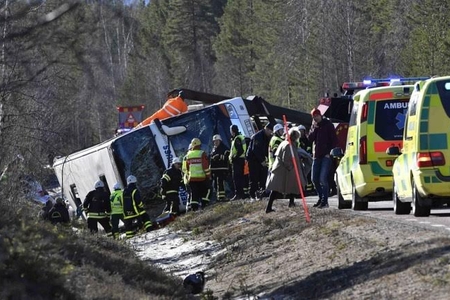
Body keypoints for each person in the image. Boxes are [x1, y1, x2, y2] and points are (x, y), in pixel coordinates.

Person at [265, 128, 305, 213]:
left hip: (281, 169)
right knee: (277, 188)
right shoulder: (288, 145)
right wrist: (291, 168)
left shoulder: (285, 143)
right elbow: (285, 159)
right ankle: (269, 207)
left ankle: (291, 203)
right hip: (283, 170)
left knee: (289, 187)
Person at [308, 108, 339, 208]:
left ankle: (324, 201)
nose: (315, 118)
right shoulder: (314, 126)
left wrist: (330, 152)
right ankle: (320, 198)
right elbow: (310, 138)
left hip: (326, 155)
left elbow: (334, 140)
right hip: (316, 156)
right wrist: (314, 128)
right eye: (313, 117)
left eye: (316, 116)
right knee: (314, 179)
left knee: (322, 179)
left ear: (320, 115)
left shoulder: (328, 125)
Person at [246, 123, 273, 200]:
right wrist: (262, 161)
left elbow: (266, 149)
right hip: (253, 160)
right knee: (254, 178)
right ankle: (252, 195)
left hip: (260, 160)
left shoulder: (266, 136)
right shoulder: (258, 136)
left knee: (262, 177)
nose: (271, 133)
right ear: (266, 129)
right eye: (270, 131)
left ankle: (261, 193)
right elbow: (256, 150)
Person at [185, 138, 211, 211]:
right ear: (200, 145)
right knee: (206, 190)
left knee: (194, 193)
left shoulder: (188, 155)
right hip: (201, 178)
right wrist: (208, 176)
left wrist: (188, 176)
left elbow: (187, 168)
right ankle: (204, 204)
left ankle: (194, 208)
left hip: (192, 179)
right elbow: (205, 166)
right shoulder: (202, 153)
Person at [228, 125, 247, 200]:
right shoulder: (240, 137)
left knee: (236, 178)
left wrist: (234, 157)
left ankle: (238, 194)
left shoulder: (237, 139)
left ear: (232, 131)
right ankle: (241, 194)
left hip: (237, 161)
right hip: (241, 160)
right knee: (240, 177)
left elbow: (240, 150)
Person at [210, 134, 230, 202]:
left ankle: (226, 196)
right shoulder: (213, 149)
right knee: (217, 183)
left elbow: (227, 157)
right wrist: (213, 158)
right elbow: (211, 158)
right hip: (215, 169)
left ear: (220, 141)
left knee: (223, 183)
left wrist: (220, 157)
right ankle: (220, 197)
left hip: (223, 168)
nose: (215, 142)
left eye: (217, 141)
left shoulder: (224, 148)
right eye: (214, 141)